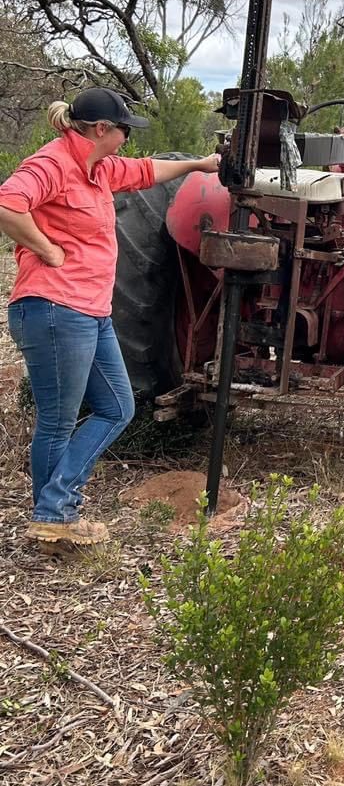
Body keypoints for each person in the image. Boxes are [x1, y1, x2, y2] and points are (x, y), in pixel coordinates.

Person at [0, 88, 221, 549]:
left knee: (117, 407)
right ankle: (55, 512)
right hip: (55, 309)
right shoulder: (54, 162)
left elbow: (146, 172)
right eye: (123, 130)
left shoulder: (96, 169)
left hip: (90, 313)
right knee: (58, 422)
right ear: (102, 129)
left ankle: (52, 513)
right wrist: (45, 249)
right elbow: (7, 204)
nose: (126, 139)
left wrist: (199, 165)